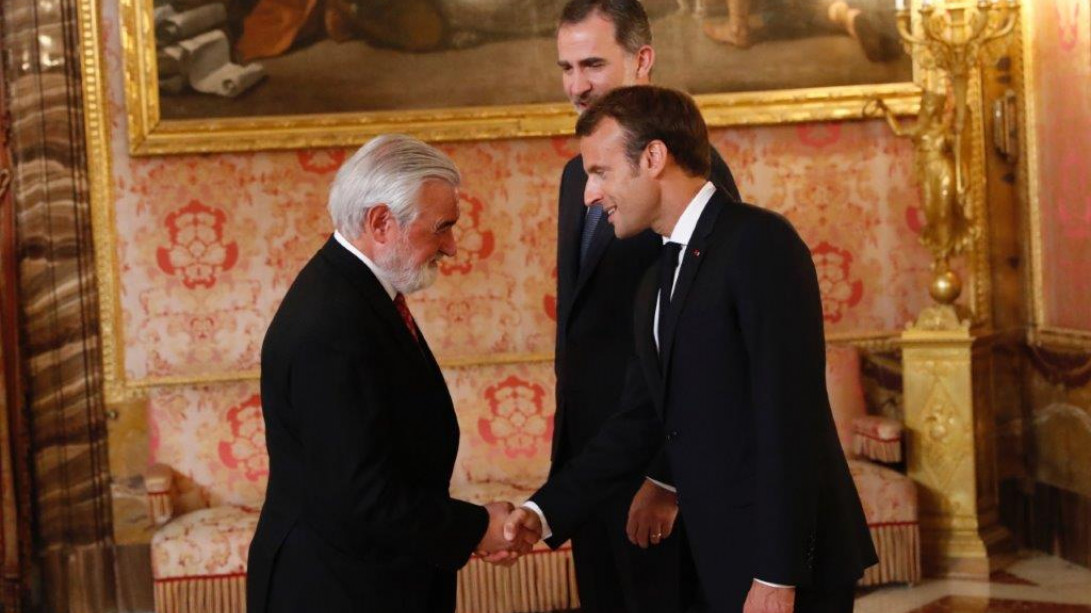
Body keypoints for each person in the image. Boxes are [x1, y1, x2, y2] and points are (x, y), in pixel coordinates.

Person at [509, 86, 877, 613]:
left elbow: (788, 420)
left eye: (600, 172)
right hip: (716, 554)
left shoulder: (759, 244)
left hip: (783, 568)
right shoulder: (655, 279)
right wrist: (541, 513)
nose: (589, 194)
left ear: (654, 158)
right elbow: (638, 422)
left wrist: (777, 575)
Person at [246, 135, 520, 613]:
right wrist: (475, 528)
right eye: (442, 228)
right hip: (336, 589)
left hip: (372, 577)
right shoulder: (332, 322)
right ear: (380, 222)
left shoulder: (355, 293)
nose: (452, 247)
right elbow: (359, 495)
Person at [550, 1, 740, 611]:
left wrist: (667, 477)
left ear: (643, 61)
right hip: (593, 462)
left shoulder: (699, 178)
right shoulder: (572, 175)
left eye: (593, 64)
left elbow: (707, 348)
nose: (577, 85)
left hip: (655, 470)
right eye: (566, 67)